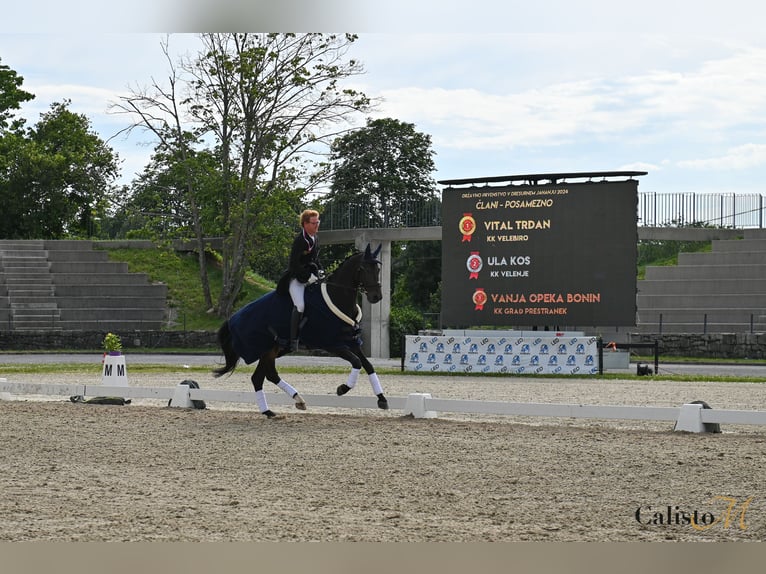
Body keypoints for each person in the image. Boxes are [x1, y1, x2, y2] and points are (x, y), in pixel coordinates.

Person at [276, 209, 323, 351]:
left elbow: (315, 259)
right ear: (305, 224)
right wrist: (308, 276)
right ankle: (293, 340)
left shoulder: (315, 238)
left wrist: (320, 270)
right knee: (300, 305)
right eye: (314, 223)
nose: (317, 226)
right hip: (296, 278)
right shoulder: (300, 240)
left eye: (317, 222)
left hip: (309, 277)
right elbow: (294, 265)